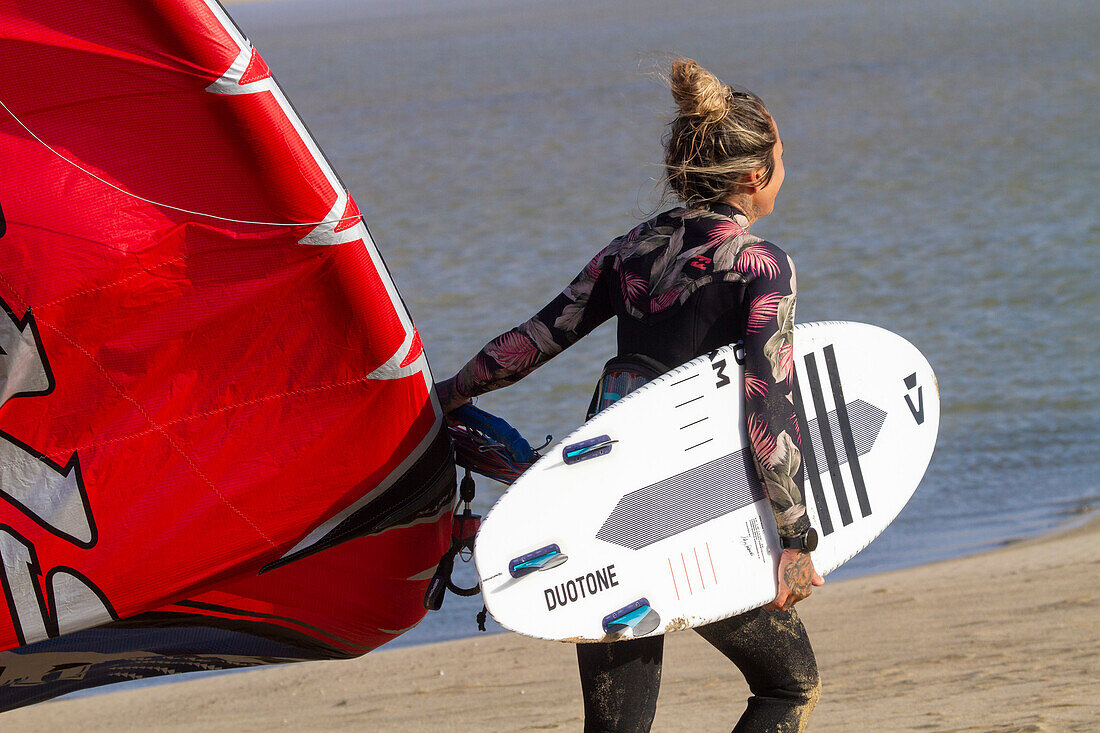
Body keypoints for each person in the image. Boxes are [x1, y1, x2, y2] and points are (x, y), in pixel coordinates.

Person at [436, 58, 823, 733]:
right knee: (789, 685)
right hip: (689, 519)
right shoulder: (761, 266)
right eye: (783, 155)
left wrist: (445, 393)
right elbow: (769, 406)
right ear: (754, 176)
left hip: (601, 514)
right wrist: (795, 537)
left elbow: (531, 341)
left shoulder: (629, 253)